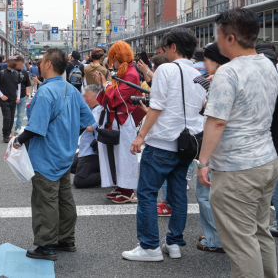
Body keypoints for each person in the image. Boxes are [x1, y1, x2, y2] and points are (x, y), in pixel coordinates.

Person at [198, 8, 278, 277]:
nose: (216, 40)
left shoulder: (228, 72)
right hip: (266, 159)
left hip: (237, 167)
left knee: (241, 241)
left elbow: (216, 122)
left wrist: (203, 162)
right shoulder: (268, 64)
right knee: (260, 231)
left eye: (218, 35)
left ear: (230, 38)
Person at [122, 28, 206, 262]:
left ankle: (149, 246)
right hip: (187, 144)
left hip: (162, 143)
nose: (165, 52)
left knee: (147, 193)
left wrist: (141, 136)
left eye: (166, 47)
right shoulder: (199, 74)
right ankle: (174, 242)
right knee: (178, 195)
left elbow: (157, 106)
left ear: (174, 47)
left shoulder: (166, 70)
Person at [12, 48, 96, 261]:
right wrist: (69, 136)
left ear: (48, 64)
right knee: (64, 198)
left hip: (46, 154)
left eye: (42, 62)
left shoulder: (45, 92)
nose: (39, 65)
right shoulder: (71, 90)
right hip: (65, 153)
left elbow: (35, 127)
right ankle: (66, 239)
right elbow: (87, 121)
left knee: (45, 199)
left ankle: (46, 244)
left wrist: (17, 141)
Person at [93, 41, 146, 203]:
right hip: (117, 119)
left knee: (125, 155)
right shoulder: (126, 71)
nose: (112, 62)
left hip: (122, 119)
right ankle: (121, 187)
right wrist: (104, 84)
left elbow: (118, 98)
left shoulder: (130, 73)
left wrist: (105, 84)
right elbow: (113, 95)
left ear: (116, 57)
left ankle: (128, 191)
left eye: (112, 58)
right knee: (117, 155)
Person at [189, 42, 229, 253]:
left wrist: (203, 161)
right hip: (235, 150)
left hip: (216, 148)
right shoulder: (234, 77)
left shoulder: (219, 82)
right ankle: (220, 236)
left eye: (206, 59)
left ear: (216, 61)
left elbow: (217, 121)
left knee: (206, 195)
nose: (204, 64)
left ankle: (215, 239)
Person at [70, 85, 103, 188]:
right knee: (66, 165)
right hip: (84, 149)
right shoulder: (91, 109)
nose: (83, 99)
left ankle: (109, 175)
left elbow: (89, 127)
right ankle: (95, 169)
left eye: (86, 96)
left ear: (96, 97)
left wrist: (81, 111)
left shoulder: (98, 110)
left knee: (79, 181)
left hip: (92, 152)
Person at [0, 56, 21, 143]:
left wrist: (18, 97)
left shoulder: (17, 74)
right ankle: (5, 135)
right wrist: (1, 95)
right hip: (4, 99)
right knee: (7, 117)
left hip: (13, 99)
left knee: (12, 118)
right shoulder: (2, 73)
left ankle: (8, 133)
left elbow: (18, 86)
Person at [13, 56, 31, 136]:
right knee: (11, 114)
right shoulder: (11, 72)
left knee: (20, 114)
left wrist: (27, 94)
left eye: (21, 64)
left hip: (23, 96)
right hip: (12, 96)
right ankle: (8, 129)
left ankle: (18, 128)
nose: (20, 66)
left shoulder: (24, 72)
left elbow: (28, 84)